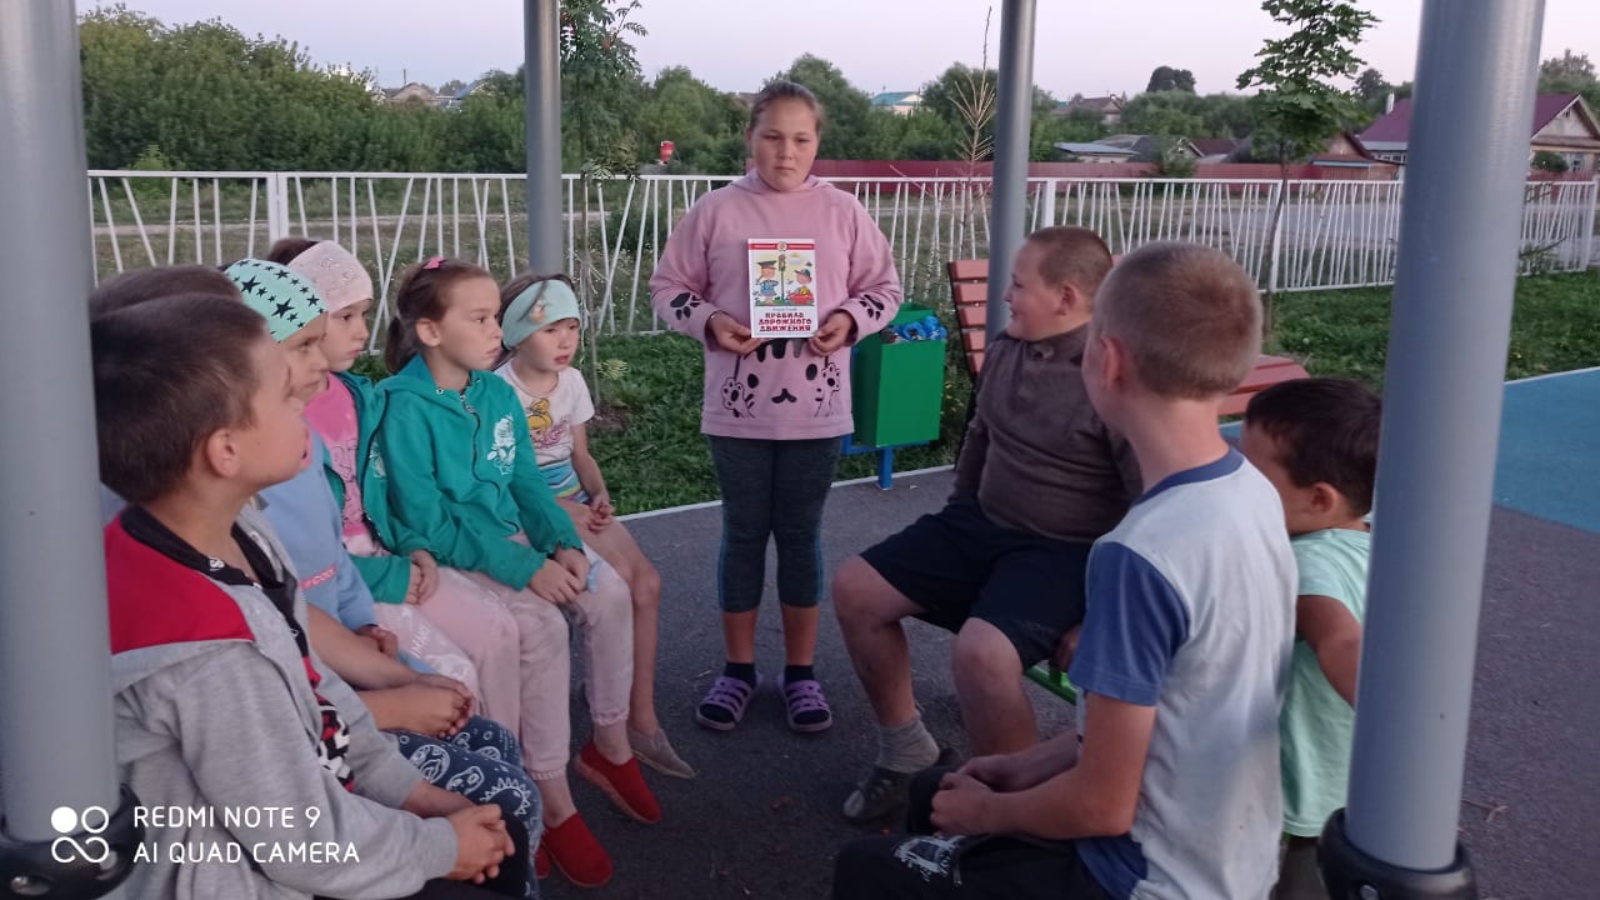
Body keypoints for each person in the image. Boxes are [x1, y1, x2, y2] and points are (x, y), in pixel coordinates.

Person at [831, 241, 1296, 900]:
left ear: (1107, 360)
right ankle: (923, 767)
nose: (1008, 297)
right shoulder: (1248, 491)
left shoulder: (1140, 554)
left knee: (863, 869)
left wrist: (993, 813)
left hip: (1145, 873)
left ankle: (999, 847)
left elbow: (1102, 807)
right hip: (1218, 844)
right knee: (934, 791)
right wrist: (1027, 768)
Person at [95, 293, 524, 900]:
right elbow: (300, 843)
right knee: (499, 852)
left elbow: (311, 683)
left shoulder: (239, 532)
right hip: (245, 880)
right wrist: (440, 848)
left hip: (319, 822)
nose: (306, 401)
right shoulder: (208, 654)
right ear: (225, 451)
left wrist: (410, 791)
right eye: (285, 397)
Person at [227, 258, 547, 900]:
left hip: (332, 678)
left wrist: (371, 639)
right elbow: (259, 744)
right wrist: (393, 709)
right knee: (504, 793)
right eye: (305, 344)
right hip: (303, 760)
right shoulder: (232, 514)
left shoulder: (296, 450)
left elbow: (298, 603)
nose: (325, 354)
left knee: (490, 743)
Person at [832, 226, 1139, 822]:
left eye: (1019, 286)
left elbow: (1149, 507)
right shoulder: (1007, 349)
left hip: (1065, 552)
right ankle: (907, 752)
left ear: (1067, 298)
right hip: (980, 523)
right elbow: (980, 440)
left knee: (983, 655)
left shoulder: (1113, 379)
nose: (1005, 296)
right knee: (856, 589)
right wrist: (955, 518)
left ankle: (1013, 821)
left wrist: (1101, 614)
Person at [370, 255, 658, 888]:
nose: (496, 332)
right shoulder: (402, 408)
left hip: (512, 539)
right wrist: (527, 567)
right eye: (480, 319)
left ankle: (609, 744)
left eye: (495, 318)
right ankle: (538, 789)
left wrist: (563, 542)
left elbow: (527, 483)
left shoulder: (495, 392)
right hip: (462, 553)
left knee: (607, 593)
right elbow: (429, 523)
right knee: (539, 629)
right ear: (430, 331)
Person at [649, 79, 902, 734]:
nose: (786, 152)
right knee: (741, 533)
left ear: (817, 142)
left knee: (799, 536)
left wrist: (850, 320)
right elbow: (668, 287)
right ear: (750, 138)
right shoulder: (716, 210)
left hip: (817, 412)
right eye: (772, 137)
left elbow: (884, 288)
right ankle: (737, 670)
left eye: (800, 139)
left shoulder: (844, 212)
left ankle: (800, 673)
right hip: (738, 411)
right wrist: (710, 321)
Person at [274, 238, 525, 726]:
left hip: (391, 557)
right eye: (344, 316)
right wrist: (388, 575)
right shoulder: (281, 426)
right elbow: (297, 564)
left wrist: (412, 545)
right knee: (454, 676)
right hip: (353, 581)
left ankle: (505, 762)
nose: (361, 331)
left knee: (498, 630)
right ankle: (463, 769)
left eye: (364, 314)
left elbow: (383, 493)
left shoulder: (360, 397)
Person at [493, 271, 693, 779]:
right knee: (610, 591)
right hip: (532, 508)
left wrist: (598, 493)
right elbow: (506, 479)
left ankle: (641, 718)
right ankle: (615, 717)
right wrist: (568, 510)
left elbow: (579, 453)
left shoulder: (574, 382)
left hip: (574, 500)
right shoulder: (498, 390)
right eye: (550, 330)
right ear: (517, 335)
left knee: (647, 583)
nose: (566, 341)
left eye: (573, 328)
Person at [1239, 378, 1380, 900]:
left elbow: (1340, 641)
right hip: (1358, 774)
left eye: (1251, 473)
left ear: (1319, 499)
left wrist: (1396, 728)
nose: (1235, 481)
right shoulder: (1373, 535)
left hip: (1311, 781)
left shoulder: (1308, 564)